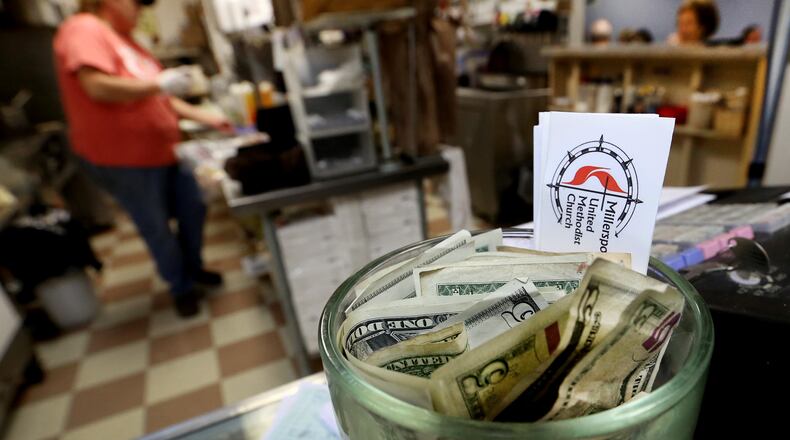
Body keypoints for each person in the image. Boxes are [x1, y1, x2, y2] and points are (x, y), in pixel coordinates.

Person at [53, 0, 232, 317]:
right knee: (156, 227)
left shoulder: (127, 41)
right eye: (138, 3)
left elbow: (160, 98)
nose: (142, 11)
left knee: (194, 205)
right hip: (125, 159)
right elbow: (96, 86)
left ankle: (192, 268)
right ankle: (182, 287)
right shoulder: (84, 28)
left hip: (164, 152)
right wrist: (158, 83)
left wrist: (207, 119)